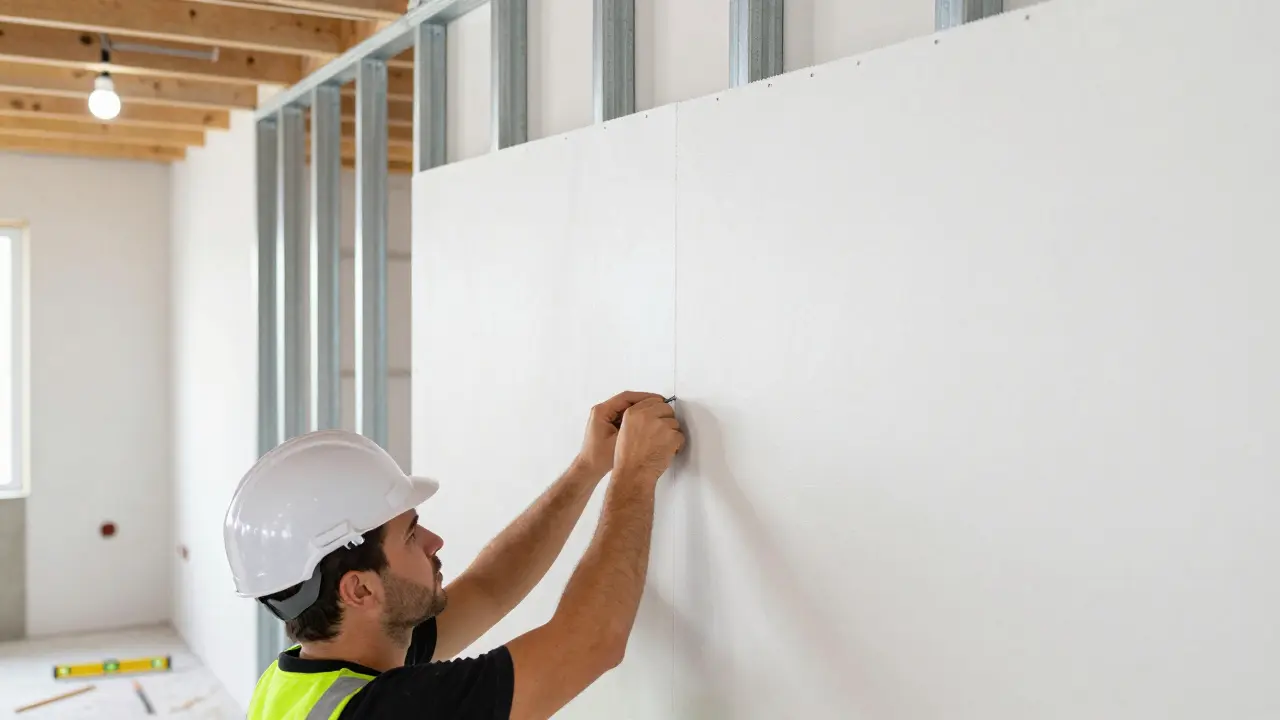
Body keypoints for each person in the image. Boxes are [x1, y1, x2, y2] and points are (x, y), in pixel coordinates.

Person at [223, 391, 684, 720]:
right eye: (408, 535)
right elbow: (592, 641)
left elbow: (489, 587)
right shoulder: (383, 710)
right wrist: (635, 475)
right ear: (359, 588)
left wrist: (587, 470)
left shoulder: (301, 684)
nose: (434, 541)